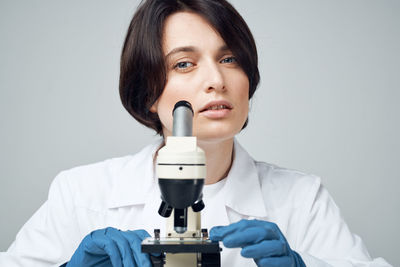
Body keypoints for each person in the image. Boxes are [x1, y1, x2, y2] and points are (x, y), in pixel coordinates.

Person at [0, 0, 392, 266]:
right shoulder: (81, 194)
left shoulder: (300, 199)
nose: (216, 80)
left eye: (229, 58)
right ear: (148, 93)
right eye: (185, 63)